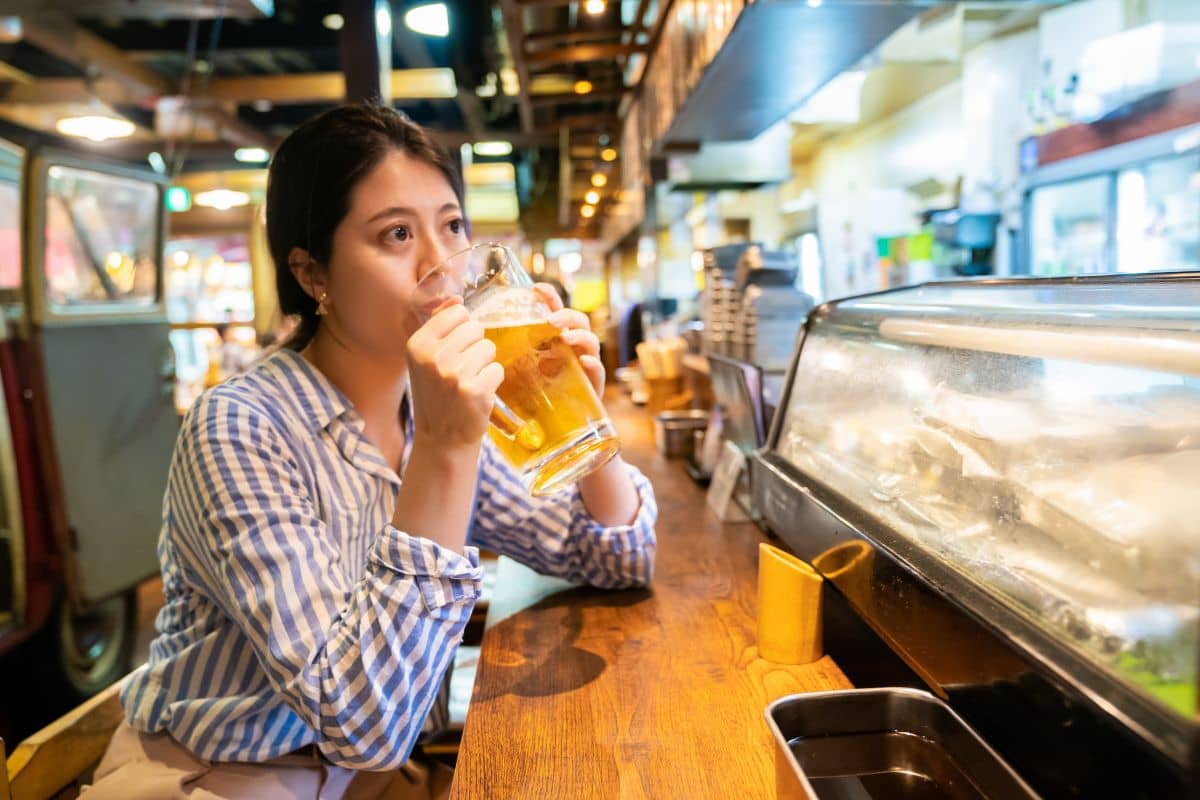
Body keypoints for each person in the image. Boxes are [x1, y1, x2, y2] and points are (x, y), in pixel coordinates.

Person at [82, 103, 658, 799]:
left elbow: (618, 559)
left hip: (367, 776)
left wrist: (586, 429)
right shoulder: (240, 427)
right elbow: (362, 721)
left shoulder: (426, 409)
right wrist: (446, 450)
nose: (443, 267)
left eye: (451, 226)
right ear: (312, 273)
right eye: (395, 235)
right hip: (224, 778)